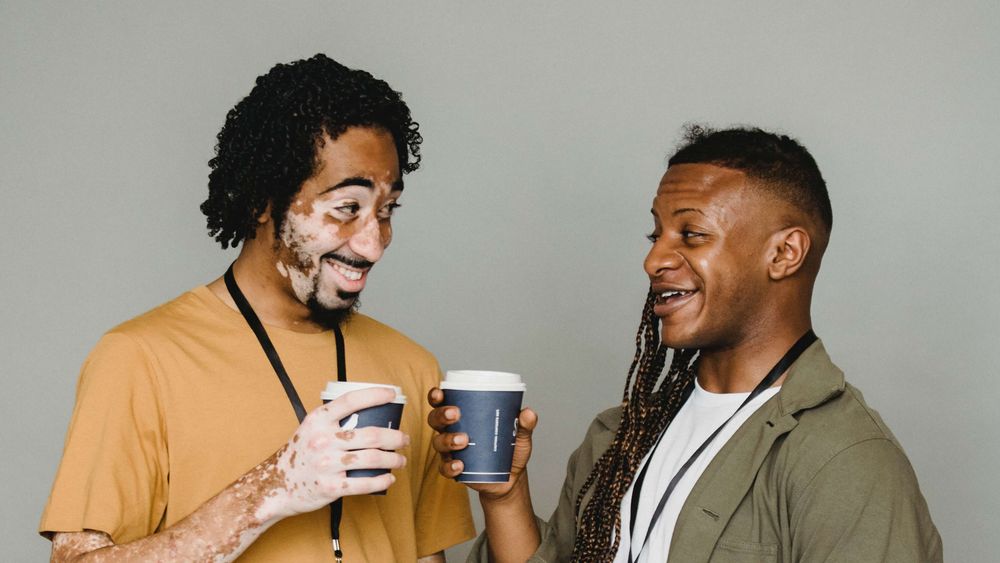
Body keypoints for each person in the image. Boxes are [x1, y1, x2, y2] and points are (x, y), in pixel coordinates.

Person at [429, 126, 942, 562]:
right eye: (655, 235)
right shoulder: (619, 437)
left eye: (692, 234)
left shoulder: (844, 460)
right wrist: (505, 495)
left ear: (784, 253)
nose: (655, 261)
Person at [40, 54, 474, 562]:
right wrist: (273, 487)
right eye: (346, 209)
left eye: (386, 211)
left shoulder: (411, 366)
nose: (373, 244)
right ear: (263, 201)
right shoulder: (138, 359)